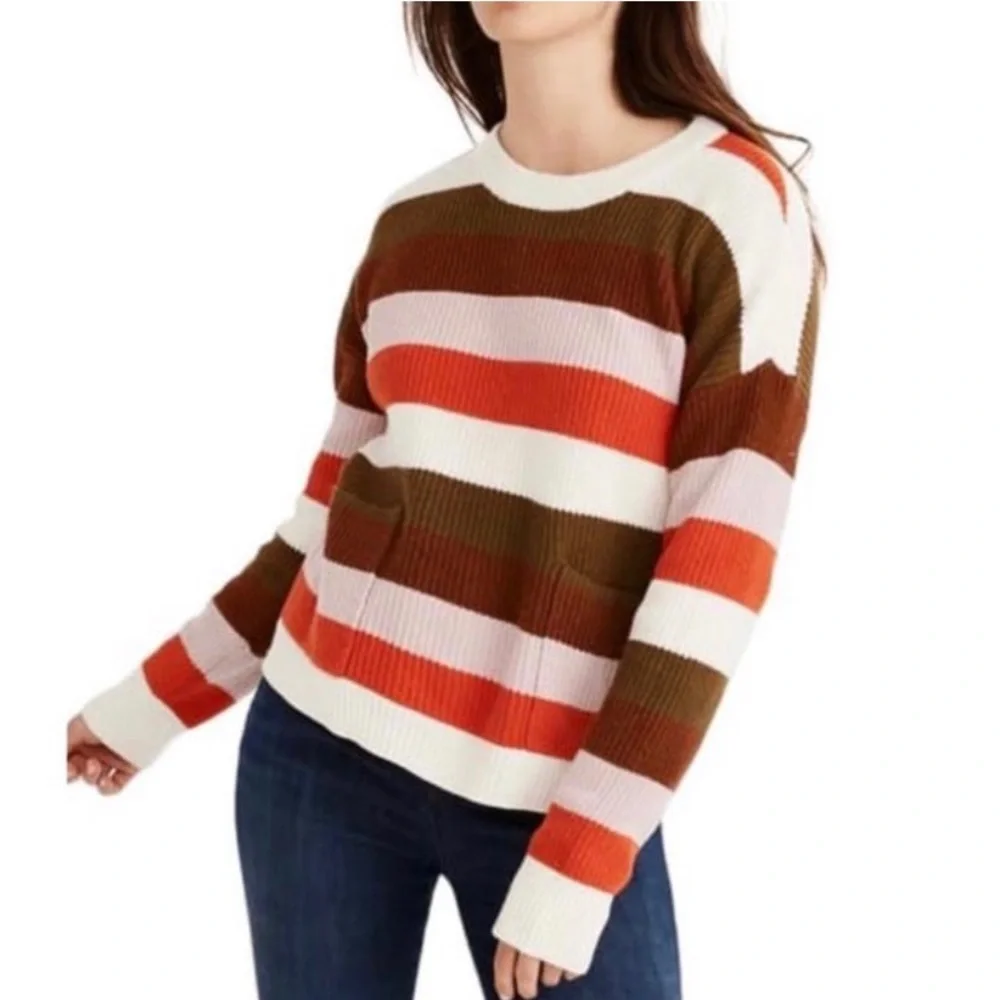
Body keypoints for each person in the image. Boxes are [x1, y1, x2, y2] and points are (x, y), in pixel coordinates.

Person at [67, 3, 823, 998]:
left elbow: (715, 572)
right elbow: (327, 523)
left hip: (554, 793)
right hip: (317, 754)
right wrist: (152, 701)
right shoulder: (416, 224)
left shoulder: (730, 208)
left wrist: (584, 853)